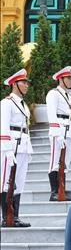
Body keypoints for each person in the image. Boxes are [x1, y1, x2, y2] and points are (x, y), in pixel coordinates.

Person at [0, 69, 33, 227]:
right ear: (14, 84)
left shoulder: (24, 105)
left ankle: (15, 216)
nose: (26, 85)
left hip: (23, 146)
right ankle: (6, 216)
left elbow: (25, 128)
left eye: (27, 83)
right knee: (7, 181)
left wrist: (29, 148)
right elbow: (4, 128)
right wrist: (6, 150)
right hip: (11, 147)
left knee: (19, 181)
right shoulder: (6, 103)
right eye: (23, 82)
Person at [46, 66, 71, 202]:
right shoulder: (53, 94)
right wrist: (57, 133)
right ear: (61, 79)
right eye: (68, 78)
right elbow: (51, 114)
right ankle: (54, 191)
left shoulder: (68, 97)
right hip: (58, 129)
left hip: (68, 128)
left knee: (65, 162)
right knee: (55, 160)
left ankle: (62, 189)